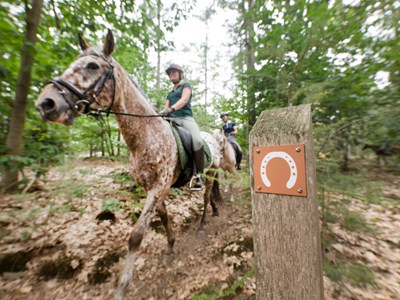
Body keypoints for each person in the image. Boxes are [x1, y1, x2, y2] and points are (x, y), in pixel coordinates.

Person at [160, 63, 204, 190]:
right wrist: (162, 112)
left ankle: (198, 176)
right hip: (171, 119)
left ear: (180, 74)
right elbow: (165, 108)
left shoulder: (186, 86)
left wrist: (171, 109)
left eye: (174, 72)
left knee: (197, 140)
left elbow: (184, 100)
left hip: (185, 118)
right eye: (169, 73)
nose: (171, 74)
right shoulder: (169, 93)